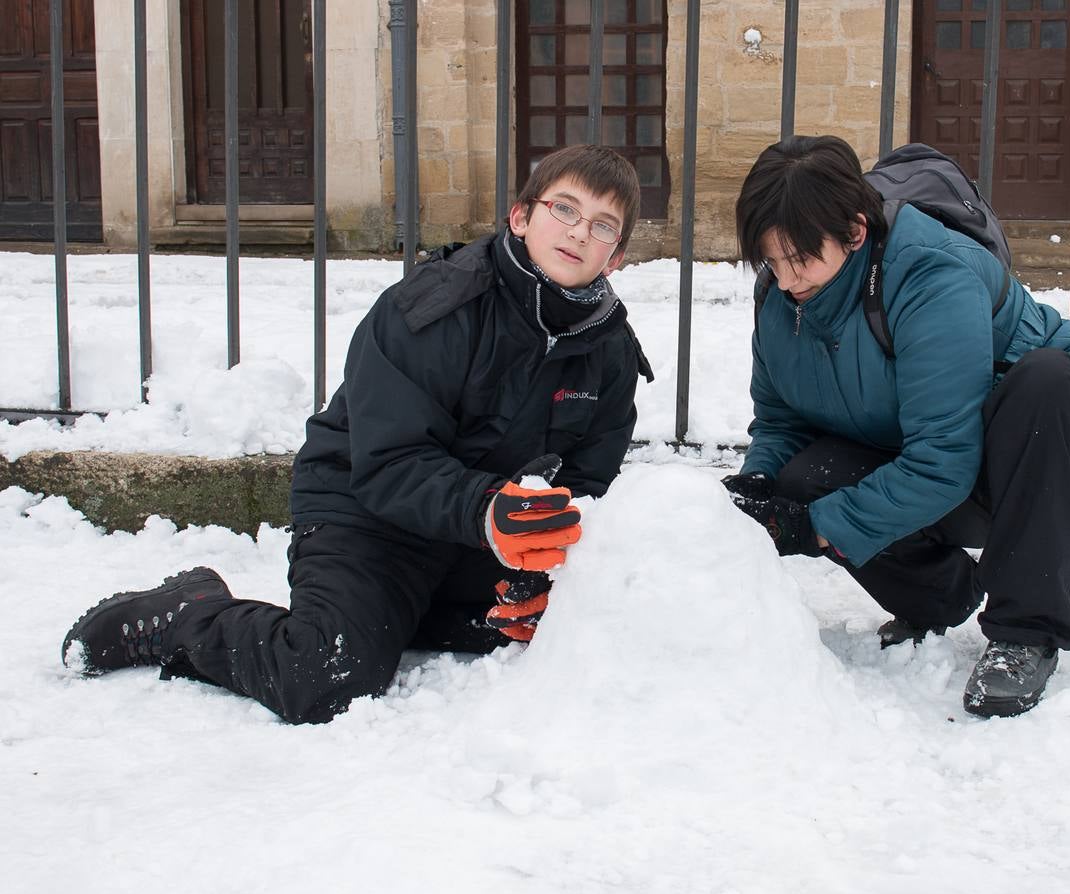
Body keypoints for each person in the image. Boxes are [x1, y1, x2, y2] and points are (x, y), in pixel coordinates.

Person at [61, 145, 652, 724]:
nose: (579, 232)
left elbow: (584, 481)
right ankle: (190, 613)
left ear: (616, 257)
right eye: (565, 209)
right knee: (327, 675)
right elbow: (389, 461)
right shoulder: (435, 307)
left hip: (478, 533)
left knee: (563, 626)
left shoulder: (611, 353)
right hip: (368, 511)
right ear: (521, 216)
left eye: (603, 225)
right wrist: (486, 510)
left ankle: (396, 612)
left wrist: (534, 571)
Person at [724, 135, 1070, 718]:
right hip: (931, 456)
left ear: (856, 232)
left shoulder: (931, 275)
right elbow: (781, 420)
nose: (787, 280)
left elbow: (943, 460)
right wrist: (759, 492)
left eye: (801, 259)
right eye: (772, 261)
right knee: (802, 478)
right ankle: (938, 598)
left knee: (1046, 381)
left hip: (1051, 451)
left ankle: (1027, 632)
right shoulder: (782, 298)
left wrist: (811, 530)